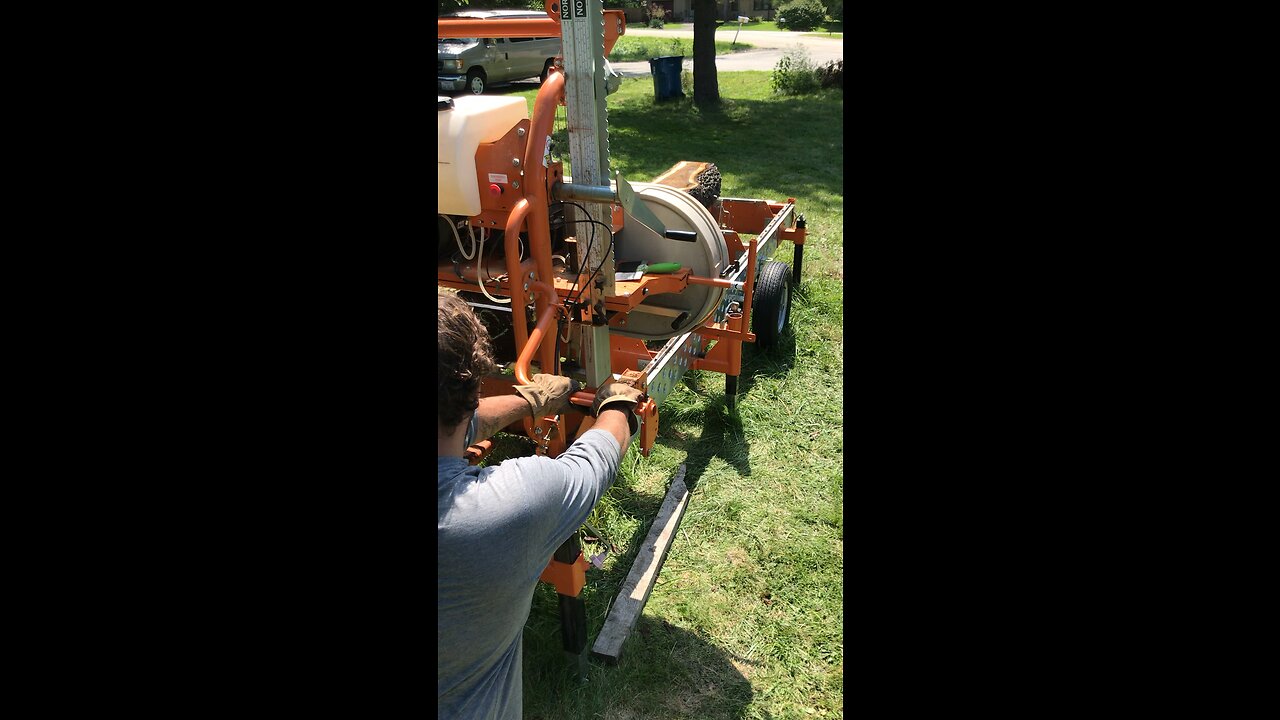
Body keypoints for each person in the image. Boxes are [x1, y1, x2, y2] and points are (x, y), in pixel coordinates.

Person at [437, 292, 643, 719]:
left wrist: (531, 401)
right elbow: (591, 463)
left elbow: (461, 423)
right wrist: (621, 404)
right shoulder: (505, 507)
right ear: (473, 386)